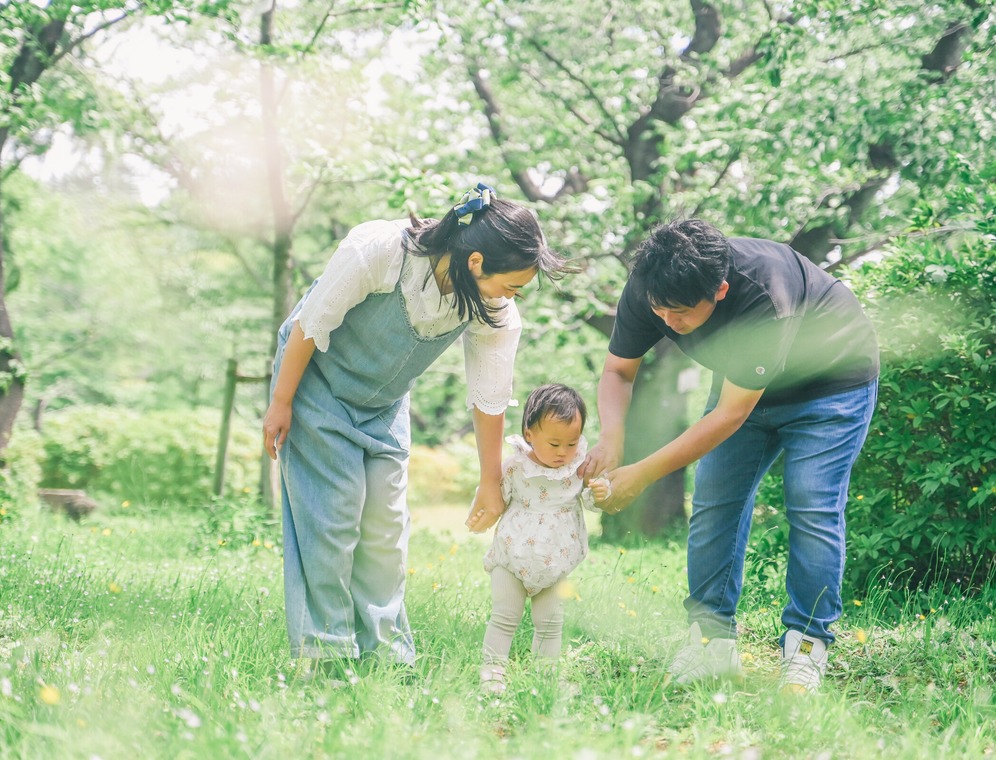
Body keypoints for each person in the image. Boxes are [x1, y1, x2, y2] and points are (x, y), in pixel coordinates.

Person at [262, 183, 568, 675]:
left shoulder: (494, 310)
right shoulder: (380, 251)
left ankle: (386, 658)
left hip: (383, 404)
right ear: (475, 264)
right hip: (316, 386)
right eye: (511, 284)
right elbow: (309, 323)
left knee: (386, 532)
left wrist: (491, 480)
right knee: (334, 520)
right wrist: (281, 402)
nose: (513, 297)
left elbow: (488, 398)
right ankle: (326, 655)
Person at [580, 219, 879, 693]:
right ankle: (710, 642)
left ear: (719, 291)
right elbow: (618, 371)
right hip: (743, 382)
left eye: (679, 313)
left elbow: (731, 416)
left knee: (811, 503)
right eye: (659, 310)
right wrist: (611, 441)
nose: (667, 322)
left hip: (830, 385)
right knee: (715, 501)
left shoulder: (763, 295)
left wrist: (639, 475)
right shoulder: (652, 284)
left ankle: (807, 646)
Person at [474, 383, 611, 693]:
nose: (563, 452)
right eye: (554, 443)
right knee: (505, 616)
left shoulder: (579, 469)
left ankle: (545, 677)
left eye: (571, 443)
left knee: (550, 624)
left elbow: (589, 500)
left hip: (556, 561)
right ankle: (493, 673)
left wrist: (599, 492)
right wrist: (482, 514)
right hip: (512, 556)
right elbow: (495, 497)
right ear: (529, 434)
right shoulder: (515, 467)